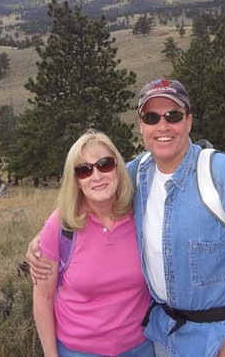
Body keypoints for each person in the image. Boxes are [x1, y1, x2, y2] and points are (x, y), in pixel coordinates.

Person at [28, 80, 225, 357]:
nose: (162, 126)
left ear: (189, 121)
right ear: (141, 126)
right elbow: (91, 189)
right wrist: (42, 239)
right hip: (161, 337)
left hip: (219, 339)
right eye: (151, 117)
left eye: (172, 115)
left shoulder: (223, 174)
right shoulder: (136, 175)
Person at [31, 129, 154, 357]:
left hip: (140, 347)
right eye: (84, 170)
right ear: (76, 181)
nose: (96, 176)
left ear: (118, 168)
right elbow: (43, 297)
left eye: (105, 164)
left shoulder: (140, 215)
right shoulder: (61, 225)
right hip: (78, 351)